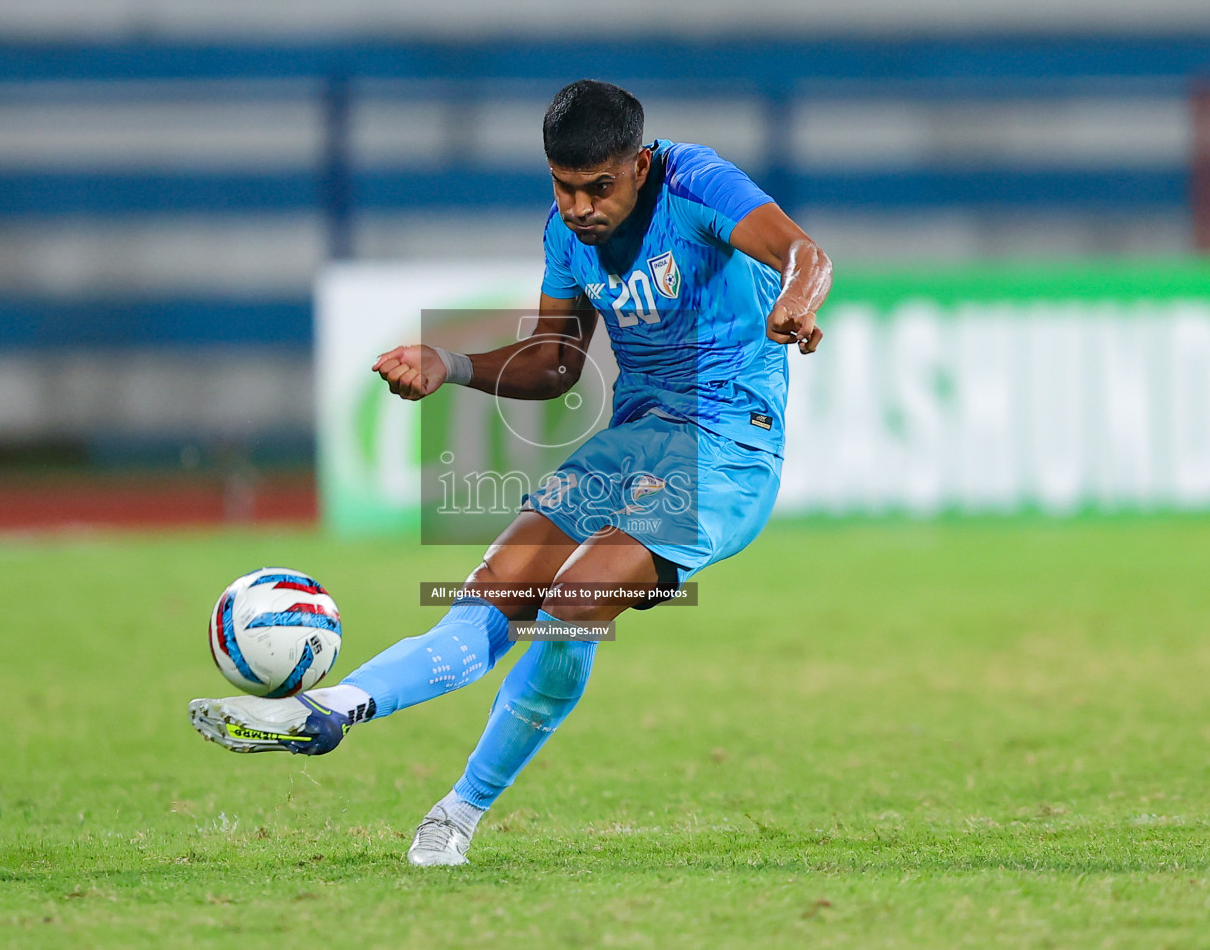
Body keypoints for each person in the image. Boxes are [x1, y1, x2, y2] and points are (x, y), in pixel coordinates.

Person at [190, 79, 832, 866]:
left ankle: (456, 814)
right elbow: (558, 364)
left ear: (639, 164)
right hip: (634, 436)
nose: (582, 207)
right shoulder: (565, 235)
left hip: (729, 446)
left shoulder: (697, 182)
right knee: (487, 603)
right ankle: (328, 707)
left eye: (600, 187)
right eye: (565, 188)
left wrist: (796, 298)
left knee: (570, 604)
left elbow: (806, 251)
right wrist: (449, 362)